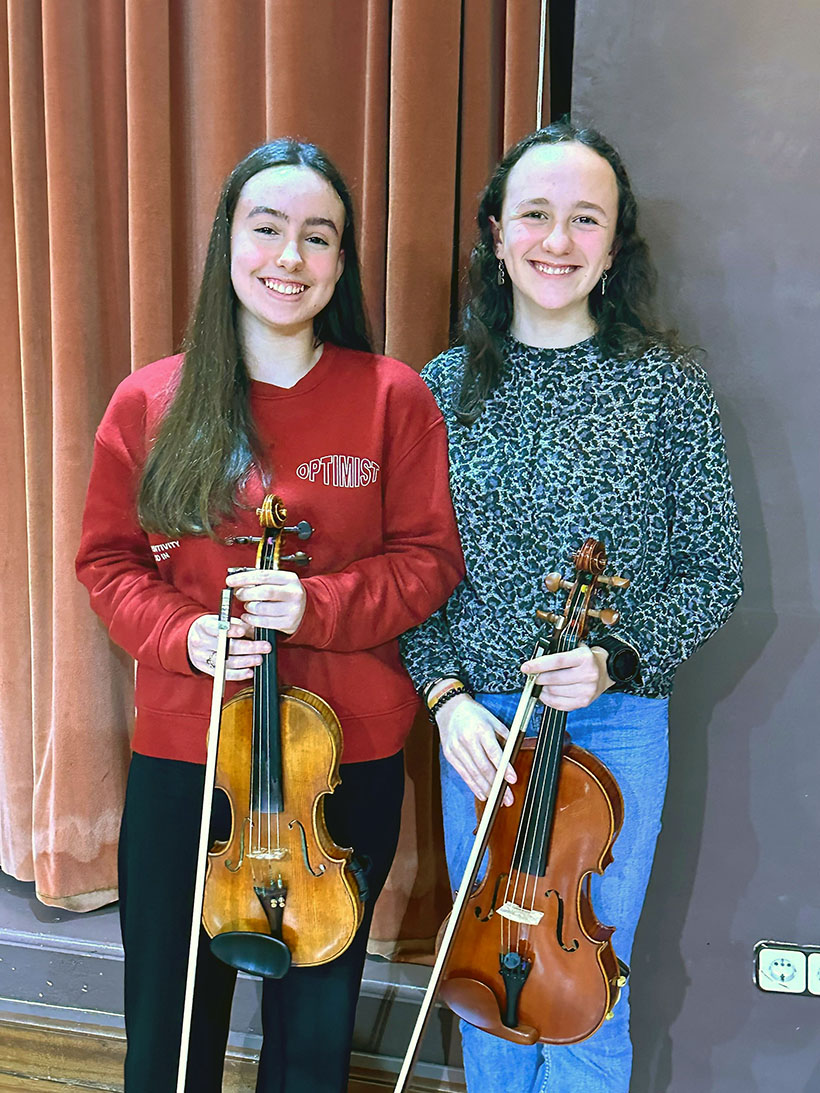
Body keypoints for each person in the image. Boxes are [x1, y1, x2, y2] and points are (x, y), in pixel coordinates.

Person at [75, 137, 463, 1093]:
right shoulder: (149, 400)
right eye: (267, 228)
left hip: (342, 760)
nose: (291, 256)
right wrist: (185, 634)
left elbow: (429, 563)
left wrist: (314, 603)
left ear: (340, 262)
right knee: (169, 1027)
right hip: (191, 746)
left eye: (318, 236)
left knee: (314, 1035)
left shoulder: (394, 397)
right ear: (227, 243)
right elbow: (109, 562)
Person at [400, 120, 742, 1093]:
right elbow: (411, 572)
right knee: (491, 984)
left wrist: (613, 657)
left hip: (616, 724)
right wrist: (445, 699)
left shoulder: (667, 389)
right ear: (496, 233)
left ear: (614, 244)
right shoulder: (442, 389)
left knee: (587, 992)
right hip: (484, 730)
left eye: (585, 219)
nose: (558, 240)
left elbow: (714, 570)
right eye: (536, 215)